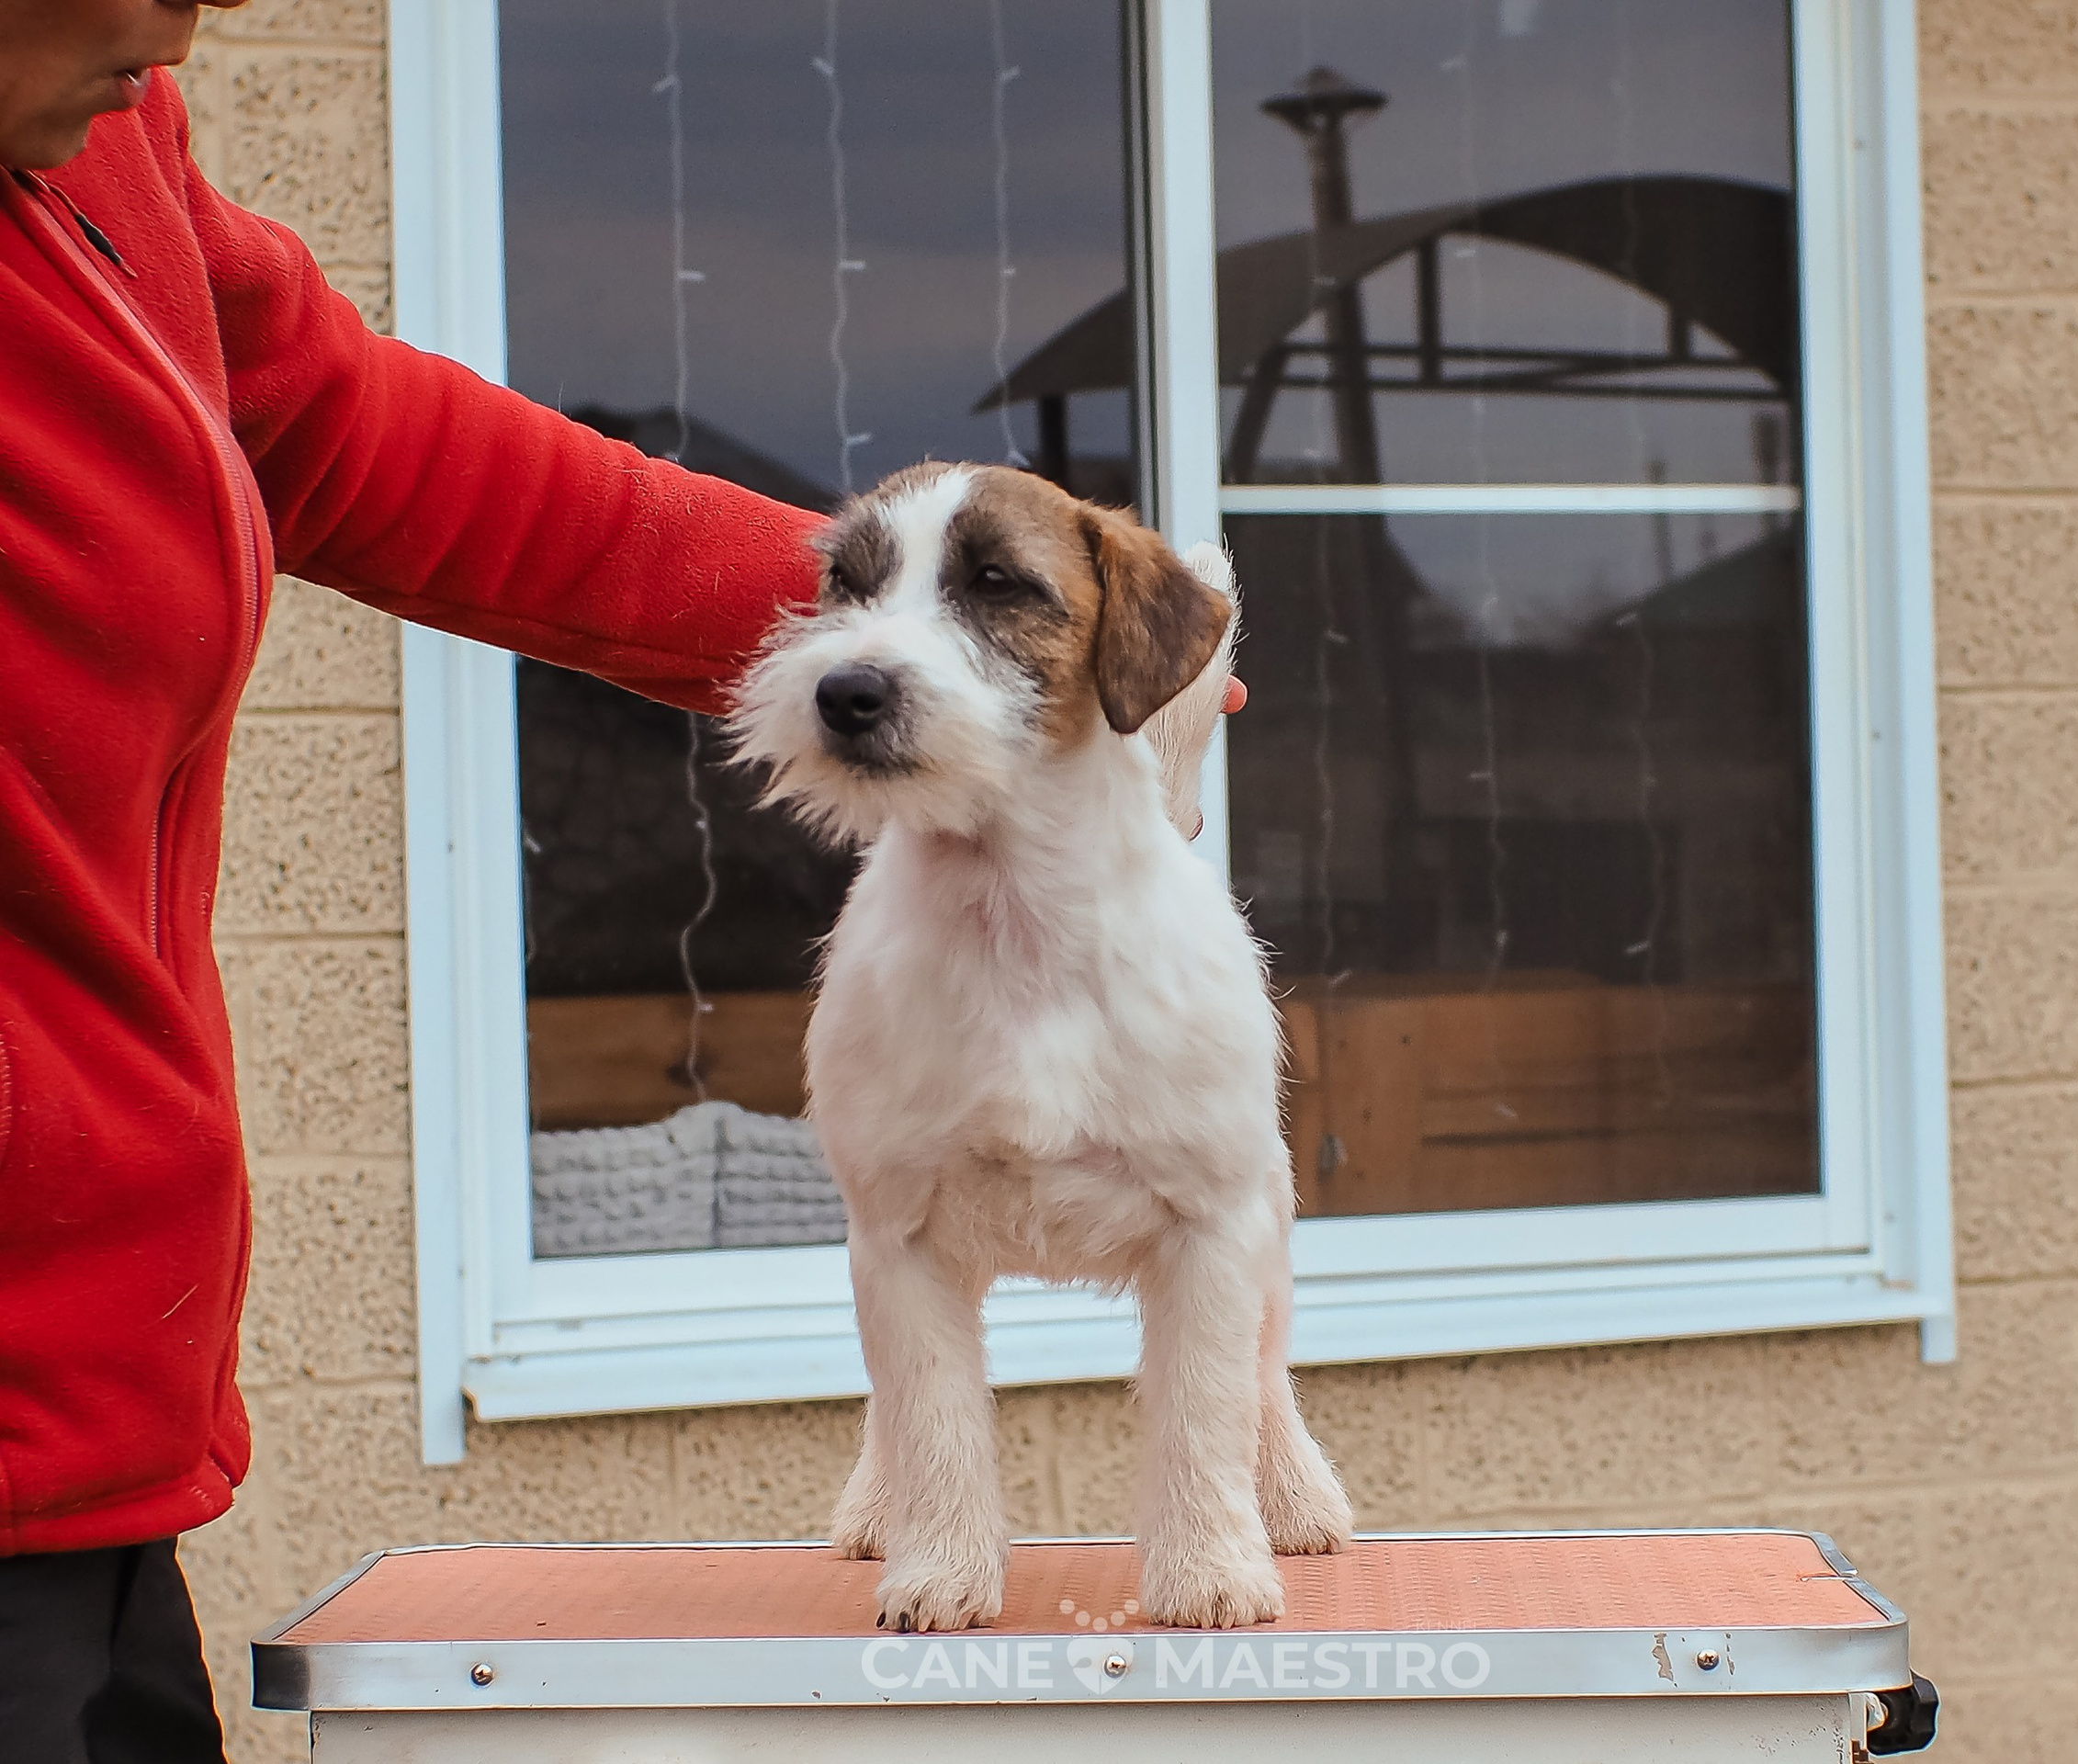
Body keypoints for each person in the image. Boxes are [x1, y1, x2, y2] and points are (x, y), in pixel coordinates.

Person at [0, 3, 1243, 1758]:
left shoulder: (103, 143)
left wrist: (854, 640)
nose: (182, 19)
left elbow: (370, 440)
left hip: (96, 1399)